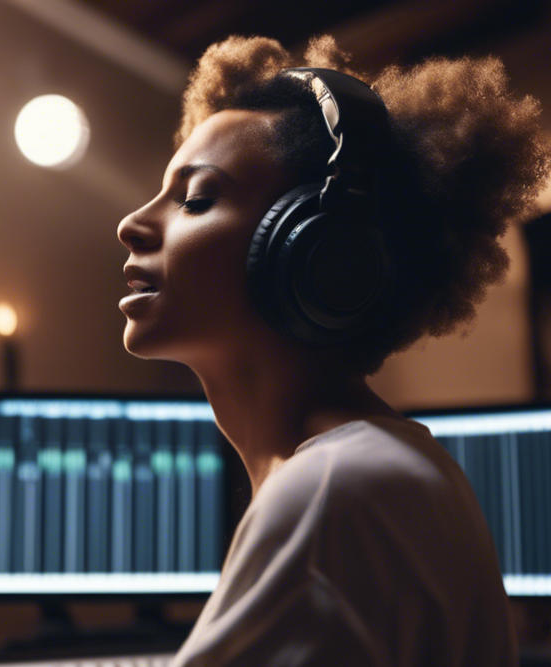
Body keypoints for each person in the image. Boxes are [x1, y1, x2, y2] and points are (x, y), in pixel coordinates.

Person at [116, 35, 550, 666]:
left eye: (196, 198)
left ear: (318, 256)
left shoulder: (333, 495)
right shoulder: (383, 464)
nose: (131, 223)